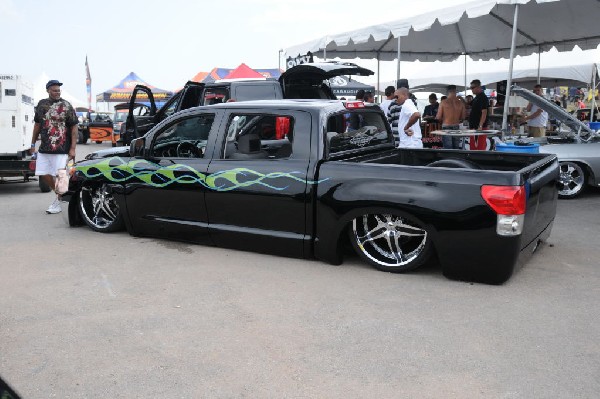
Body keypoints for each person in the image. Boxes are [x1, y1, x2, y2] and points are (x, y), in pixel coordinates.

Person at [29, 80, 78, 214]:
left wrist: (73, 148)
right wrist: (33, 144)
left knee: (61, 175)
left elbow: (74, 127)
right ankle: (60, 195)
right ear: (48, 91)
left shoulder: (66, 105)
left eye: (58, 90)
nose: (57, 92)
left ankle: (57, 203)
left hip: (62, 147)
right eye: (54, 90)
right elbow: (37, 126)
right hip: (45, 147)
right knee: (43, 173)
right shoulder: (41, 105)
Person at [436, 85, 466, 149]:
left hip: (446, 126)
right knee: (456, 148)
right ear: (456, 91)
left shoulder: (443, 102)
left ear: (447, 91)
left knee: (448, 148)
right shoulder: (461, 103)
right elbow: (463, 117)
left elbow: (438, 117)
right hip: (456, 126)